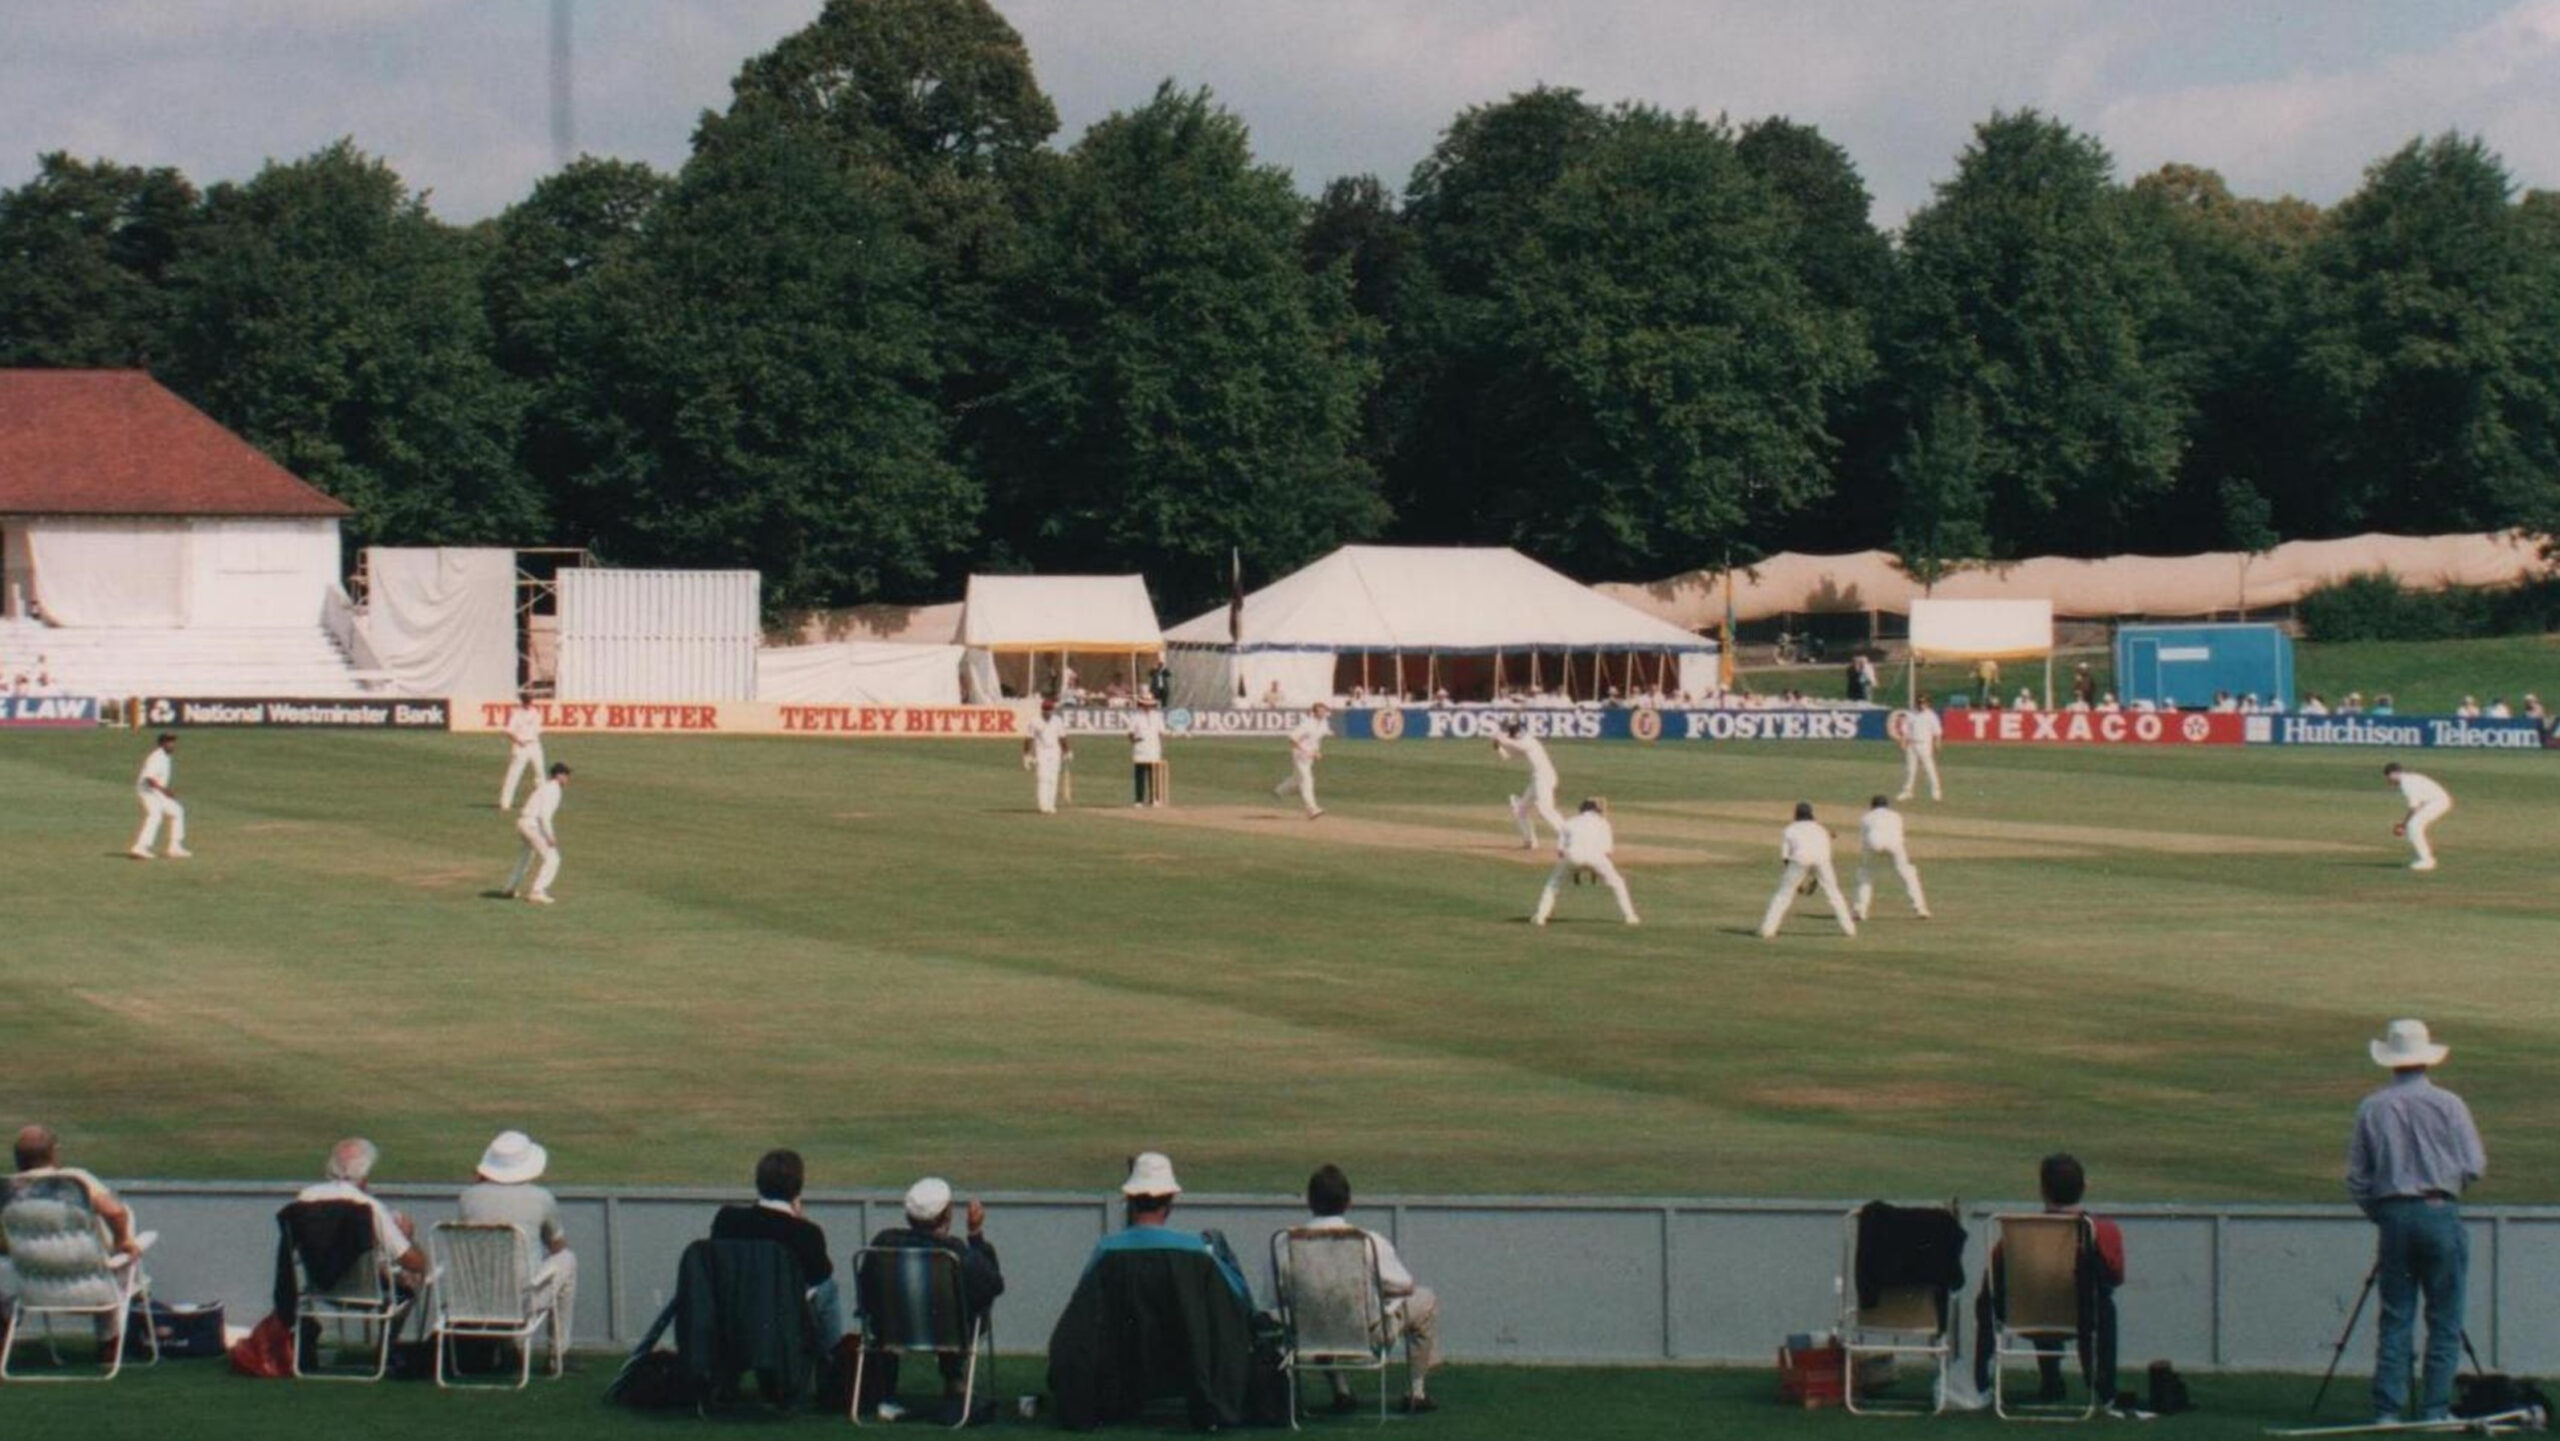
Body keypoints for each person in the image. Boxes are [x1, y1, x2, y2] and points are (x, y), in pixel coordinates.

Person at [2347, 1019, 2486, 1425]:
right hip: (2439, 1210)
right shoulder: (2449, 1104)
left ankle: (2388, 1409)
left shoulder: (2373, 1106)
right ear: (2426, 1060)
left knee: (2396, 1315)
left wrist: (2381, 1213)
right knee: (2444, 1316)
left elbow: (2357, 1176)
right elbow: (2475, 1165)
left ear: (2391, 1061)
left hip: (2393, 1213)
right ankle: (2435, 1409)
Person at [1971, 1154, 2125, 1405]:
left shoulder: (2020, 1232)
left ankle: (1992, 1380)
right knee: (2101, 1302)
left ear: (2042, 1190)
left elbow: (1994, 1275)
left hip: (2027, 1311)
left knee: (2018, 1292)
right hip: (2082, 1316)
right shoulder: (2103, 1230)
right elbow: (2115, 1276)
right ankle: (2103, 1387)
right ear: (2084, 1187)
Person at [1298, 1164, 1442, 1414]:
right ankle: (1417, 1392)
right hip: (1366, 1335)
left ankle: (1341, 1390)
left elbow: (1276, 1296)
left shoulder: (1284, 1244)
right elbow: (1405, 1286)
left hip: (1309, 1334)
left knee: (1321, 1307)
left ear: (1309, 1202)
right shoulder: (1368, 1241)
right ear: (1348, 1202)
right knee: (1425, 1299)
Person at [855, 1177, 1003, 1417]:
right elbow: (993, 1284)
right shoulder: (953, 1251)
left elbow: (866, 1293)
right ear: (947, 1216)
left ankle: (887, 1394)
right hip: (950, 1332)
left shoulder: (884, 1243)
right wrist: (975, 1235)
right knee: (963, 1302)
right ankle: (954, 1379)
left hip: (892, 1331)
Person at [456, 1130, 577, 1369]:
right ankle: (558, 1354)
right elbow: (558, 1247)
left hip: (474, 1299)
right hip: (521, 1301)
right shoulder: (541, 1198)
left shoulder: (467, 1197)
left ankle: (512, 1345)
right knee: (567, 1259)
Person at [712, 1148, 845, 1346]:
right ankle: (832, 1356)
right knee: (828, 1288)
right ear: (798, 1188)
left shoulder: (727, 1220)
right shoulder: (806, 1233)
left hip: (734, 1318)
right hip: (784, 1325)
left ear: (759, 1183)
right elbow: (819, 1280)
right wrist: (799, 1221)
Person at [3, 1124, 148, 1301]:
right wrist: (122, 1241)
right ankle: (128, 1309)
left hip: (32, 1291)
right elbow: (115, 1213)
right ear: (53, 1153)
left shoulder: (7, 1192)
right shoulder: (74, 1182)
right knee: (123, 1215)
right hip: (96, 1288)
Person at [297, 1138, 431, 1292]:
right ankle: (395, 1316)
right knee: (411, 1279)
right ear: (364, 1173)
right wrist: (409, 1239)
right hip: (365, 1291)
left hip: (319, 1286)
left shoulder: (305, 1198)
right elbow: (414, 1262)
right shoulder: (368, 1207)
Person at [1533, 797, 1639, 927]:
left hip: (1572, 855)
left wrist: (1573, 868)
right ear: (1595, 810)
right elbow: (1608, 852)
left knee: (1553, 884)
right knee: (1618, 884)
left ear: (1581, 810)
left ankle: (1540, 917)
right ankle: (1630, 916)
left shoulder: (1569, 822)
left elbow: (1560, 851)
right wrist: (1596, 869)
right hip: (1597, 857)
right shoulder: (1603, 823)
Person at [1759, 802, 1855, 939]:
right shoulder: (1821, 829)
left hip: (1799, 860)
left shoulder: (1790, 829)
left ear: (1796, 815)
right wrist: (1815, 879)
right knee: (1834, 893)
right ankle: (1850, 930)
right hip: (1822, 861)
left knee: (1783, 895)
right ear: (1811, 814)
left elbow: (1786, 858)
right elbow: (1824, 856)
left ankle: (1767, 930)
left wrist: (1795, 882)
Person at [1852, 795, 1930, 922]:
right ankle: (1921, 909)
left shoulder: (1866, 817)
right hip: (1894, 843)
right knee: (1908, 875)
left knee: (1865, 875)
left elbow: (1863, 839)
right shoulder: (1896, 816)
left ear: (1872, 806)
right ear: (1887, 806)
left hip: (1873, 842)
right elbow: (1900, 834)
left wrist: (1866, 859)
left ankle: (1860, 911)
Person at [1493, 718, 1565, 849]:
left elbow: (1515, 745)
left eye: (1508, 730)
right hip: (1537, 779)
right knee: (1520, 809)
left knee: (1545, 810)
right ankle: (1530, 841)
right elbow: (1507, 756)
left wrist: (1500, 737)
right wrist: (1498, 747)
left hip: (1544, 777)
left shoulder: (1529, 741)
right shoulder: (1519, 741)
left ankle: (1568, 837)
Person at [507, 762, 571, 903]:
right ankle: (537, 891)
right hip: (532, 825)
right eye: (566, 775)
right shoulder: (554, 790)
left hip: (523, 823)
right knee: (553, 858)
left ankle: (510, 887)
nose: (568, 779)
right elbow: (544, 816)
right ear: (559, 776)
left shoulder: (546, 787)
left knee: (526, 857)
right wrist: (550, 836)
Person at [130, 731, 189, 860]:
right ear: (162, 743)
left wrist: (162, 792)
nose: (172, 744)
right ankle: (140, 847)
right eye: (169, 742)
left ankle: (174, 847)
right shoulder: (157, 757)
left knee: (177, 811)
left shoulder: (165, 756)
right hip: (147, 792)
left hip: (156, 792)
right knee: (155, 815)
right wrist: (164, 791)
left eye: (173, 741)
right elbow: (149, 779)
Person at [2383, 762, 2451, 872]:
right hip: (2437, 801)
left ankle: (2427, 861)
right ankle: (2426, 859)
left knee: (2413, 826)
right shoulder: (2409, 778)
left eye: (2388, 777)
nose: (2388, 781)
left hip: (2438, 802)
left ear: (2393, 774)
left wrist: (2403, 825)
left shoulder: (2406, 783)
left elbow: (2414, 807)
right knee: (2413, 826)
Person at [1274, 700, 1330, 819]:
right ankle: (1311, 809)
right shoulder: (1307, 724)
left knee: (1296, 778)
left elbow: (1317, 740)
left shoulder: (1324, 723)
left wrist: (1316, 751)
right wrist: (1305, 751)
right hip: (1299, 754)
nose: (1324, 713)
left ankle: (1279, 790)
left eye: (1324, 710)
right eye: (1321, 711)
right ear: (1314, 712)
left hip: (1309, 756)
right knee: (1307, 779)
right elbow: (1292, 739)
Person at [497, 695, 547, 809]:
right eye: (527, 702)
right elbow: (509, 731)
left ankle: (541, 802)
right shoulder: (516, 713)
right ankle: (505, 803)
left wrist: (533, 737)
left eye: (530, 701)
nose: (529, 704)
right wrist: (519, 741)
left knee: (540, 774)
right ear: (522, 702)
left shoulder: (535, 712)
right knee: (514, 774)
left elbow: (539, 730)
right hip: (521, 746)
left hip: (534, 745)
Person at [1023, 698, 1071, 815]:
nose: (1048, 712)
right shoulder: (1035, 721)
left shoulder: (1057, 720)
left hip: (1055, 751)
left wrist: (1067, 751)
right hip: (1042, 752)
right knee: (1043, 778)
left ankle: (1051, 804)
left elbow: (1062, 737)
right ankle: (1043, 805)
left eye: (1050, 710)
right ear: (1042, 710)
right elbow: (1029, 739)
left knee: (1053, 779)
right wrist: (1027, 755)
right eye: (1046, 709)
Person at [1897, 693, 1944, 803]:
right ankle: (1908, 791)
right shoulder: (1911, 714)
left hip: (1924, 744)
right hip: (1912, 744)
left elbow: (1937, 730)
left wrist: (1937, 742)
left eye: (1923, 702)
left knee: (1929, 768)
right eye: (1919, 702)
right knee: (1910, 769)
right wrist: (1903, 740)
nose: (1921, 705)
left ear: (1928, 703)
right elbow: (1906, 728)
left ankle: (1936, 791)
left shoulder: (1931, 715)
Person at [1128, 693, 1167, 807]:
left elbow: (1162, 733)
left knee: (1154, 774)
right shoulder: (1135, 716)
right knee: (1140, 775)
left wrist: (1162, 747)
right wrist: (1134, 739)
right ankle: (1138, 800)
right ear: (1141, 704)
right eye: (1145, 704)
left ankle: (1154, 799)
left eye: (1150, 705)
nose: (1148, 707)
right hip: (1140, 748)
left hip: (1154, 747)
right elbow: (1130, 733)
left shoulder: (1157, 716)